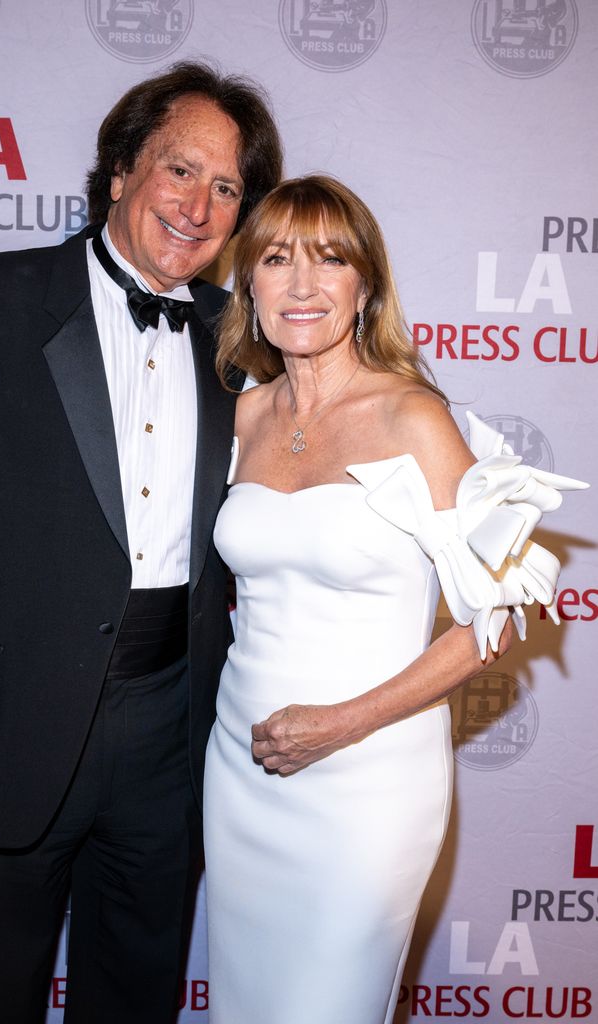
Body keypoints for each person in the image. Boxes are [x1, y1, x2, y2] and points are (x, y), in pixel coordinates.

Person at [0, 62, 283, 1023]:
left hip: (173, 733)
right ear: (120, 172)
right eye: (180, 170)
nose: (200, 205)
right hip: (1, 726)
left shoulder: (239, 337)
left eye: (227, 189)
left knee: (135, 1001)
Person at [203, 175, 586, 1024]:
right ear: (249, 285)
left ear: (365, 285)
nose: (302, 285)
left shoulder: (415, 417)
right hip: (242, 766)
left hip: (367, 780)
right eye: (275, 259)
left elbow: (492, 622)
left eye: (329, 259)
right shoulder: (238, 419)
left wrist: (344, 721)